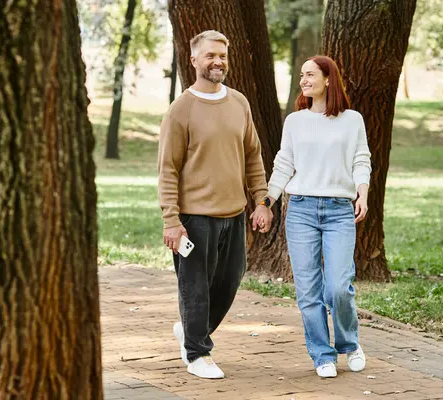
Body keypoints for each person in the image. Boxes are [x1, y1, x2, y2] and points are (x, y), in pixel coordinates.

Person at [157, 30, 273, 379]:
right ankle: (196, 353)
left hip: (234, 214)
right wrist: (171, 220)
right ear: (193, 60)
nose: (217, 61)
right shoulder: (181, 110)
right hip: (194, 218)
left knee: (228, 283)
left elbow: (252, 155)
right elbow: (167, 169)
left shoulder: (239, 103)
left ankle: (191, 329)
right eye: (210, 55)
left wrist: (261, 200)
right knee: (194, 286)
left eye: (222, 55)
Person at [260, 55, 371, 378]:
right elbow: (284, 164)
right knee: (308, 290)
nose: (303, 80)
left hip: (339, 210)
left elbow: (361, 160)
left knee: (338, 286)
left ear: (327, 79)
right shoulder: (295, 121)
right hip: (302, 210)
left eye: (310, 75)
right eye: (301, 75)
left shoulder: (352, 120)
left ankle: (349, 343)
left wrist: (362, 193)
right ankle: (322, 354)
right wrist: (267, 201)